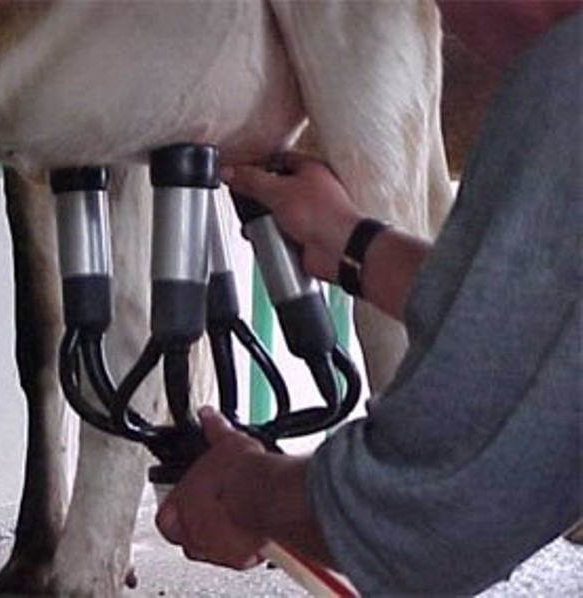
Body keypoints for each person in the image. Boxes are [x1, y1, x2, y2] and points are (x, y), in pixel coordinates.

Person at [155, 2, 582, 594]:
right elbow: (550, 323)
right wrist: (359, 246)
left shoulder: (567, 84)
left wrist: (245, 491)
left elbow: (438, 517)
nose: (447, 25)